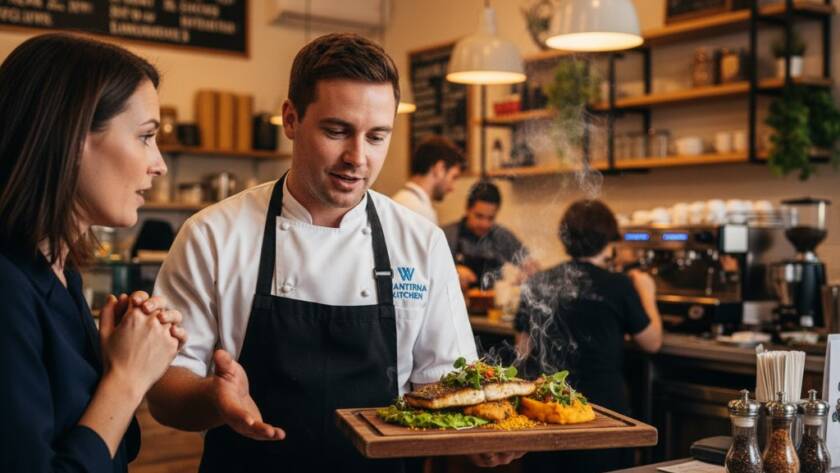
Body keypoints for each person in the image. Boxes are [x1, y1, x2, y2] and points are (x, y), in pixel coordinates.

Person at [146, 33, 521, 471]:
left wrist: (478, 435)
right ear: (290, 119)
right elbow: (164, 392)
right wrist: (214, 398)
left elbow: (447, 384)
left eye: (377, 136)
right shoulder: (212, 235)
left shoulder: (421, 242)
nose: (357, 157)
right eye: (337, 130)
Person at [0, 34, 187, 473]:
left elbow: (113, 446)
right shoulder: (6, 287)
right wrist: (127, 380)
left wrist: (114, 361)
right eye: (145, 137)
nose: (158, 163)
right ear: (70, 136)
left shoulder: (61, 272)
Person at [514, 199, 663, 473]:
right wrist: (647, 292)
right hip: (602, 410)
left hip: (546, 405)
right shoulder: (618, 285)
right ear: (608, 241)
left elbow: (522, 348)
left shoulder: (538, 281)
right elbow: (652, 342)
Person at [442, 180, 539, 290]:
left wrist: (527, 275)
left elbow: (531, 265)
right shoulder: (447, 235)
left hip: (493, 304)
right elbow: (429, 272)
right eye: (479, 216)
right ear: (468, 209)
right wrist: (452, 272)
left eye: (490, 218)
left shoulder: (502, 236)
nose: (485, 224)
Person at [391, 135, 466, 224]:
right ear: (440, 169)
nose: (452, 188)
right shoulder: (420, 211)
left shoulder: (399, 200)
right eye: (454, 177)